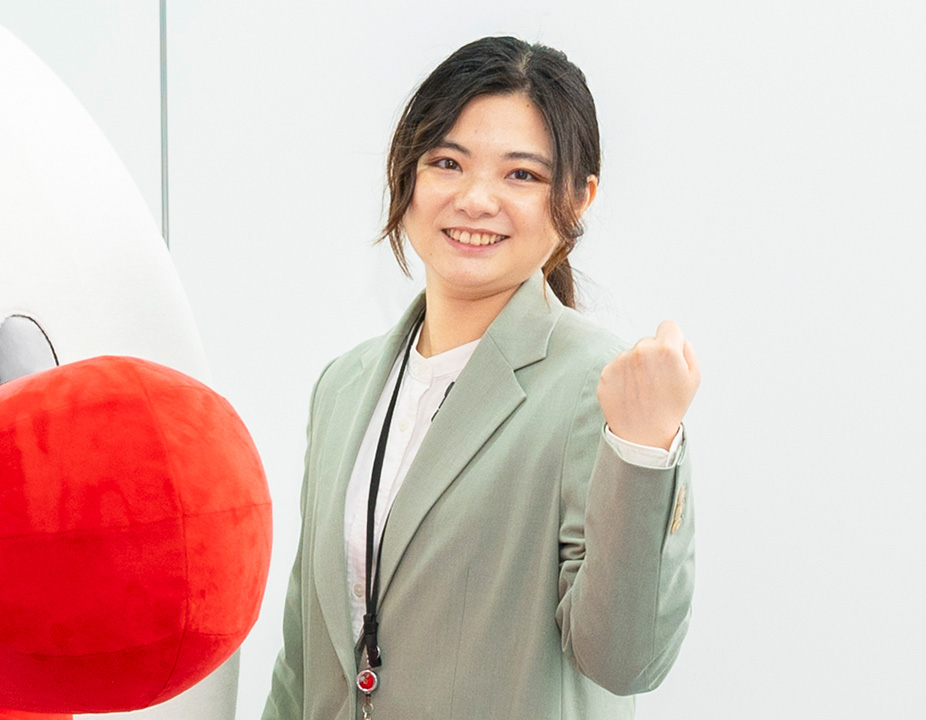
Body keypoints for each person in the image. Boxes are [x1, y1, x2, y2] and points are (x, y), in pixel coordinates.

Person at [261, 36, 699, 719]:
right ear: (405, 175)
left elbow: (625, 660)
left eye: (521, 175)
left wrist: (644, 450)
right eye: (447, 163)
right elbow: (304, 657)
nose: (475, 199)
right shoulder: (342, 387)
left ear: (578, 198)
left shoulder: (599, 390)